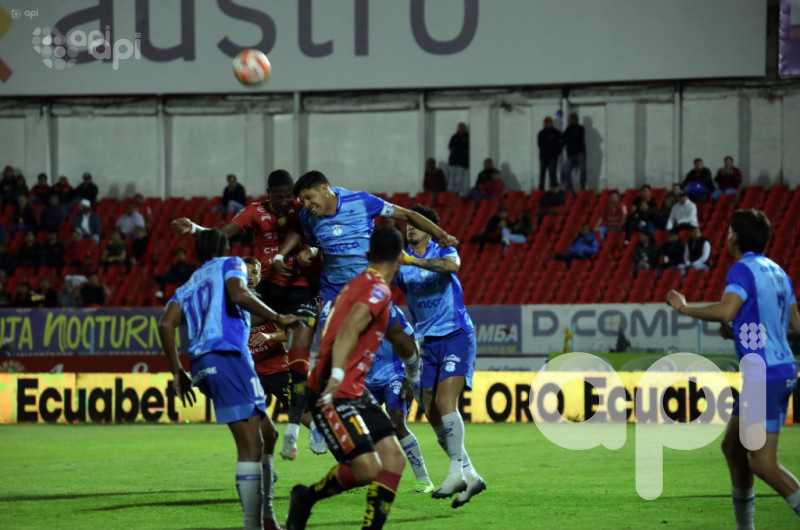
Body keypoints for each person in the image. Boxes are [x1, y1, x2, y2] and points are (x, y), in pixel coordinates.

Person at [172, 169, 326, 460]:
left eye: (288, 196)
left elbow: (323, 233)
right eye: (277, 197)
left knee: (297, 361)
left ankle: (314, 427)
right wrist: (195, 229)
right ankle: (215, 361)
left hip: (302, 289)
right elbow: (224, 235)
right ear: (267, 194)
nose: (284, 202)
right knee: (234, 316)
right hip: (269, 290)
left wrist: (311, 252)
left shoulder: (303, 208)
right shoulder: (255, 212)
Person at [158, 229, 302, 530]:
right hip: (226, 356)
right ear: (226, 248)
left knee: (268, 436)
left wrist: (177, 372)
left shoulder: (187, 285)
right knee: (250, 447)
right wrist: (278, 317)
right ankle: (255, 525)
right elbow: (239, 293)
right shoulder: (231, 264)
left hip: (201, 366)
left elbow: (166, 323)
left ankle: (267, 515)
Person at [665, 209, 800, 529]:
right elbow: (794, 325)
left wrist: (684, 308)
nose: (726, 237)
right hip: (780, 370)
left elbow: (727, 309)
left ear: (735, 238)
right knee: (733, 448)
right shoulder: (779, 272)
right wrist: (739, 329)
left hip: (765, 375)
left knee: (763, 463)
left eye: (728, 232)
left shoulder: (742, 269)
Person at [286, 226, 410, 530]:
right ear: (400, 259)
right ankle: (306, 497)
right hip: (334, 389)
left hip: (354, 390)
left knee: (393, 459)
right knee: (367, 468)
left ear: (368, 256)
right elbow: (348, 330)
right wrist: (337, 374)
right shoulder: (378, 290)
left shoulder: (358, 281)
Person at [396, 205, 485, 507]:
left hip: (456, 334)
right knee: (431, 410)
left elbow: (451, 267)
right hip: (426, 343)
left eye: (418, 225)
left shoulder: (442, 248)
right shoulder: (401, 263)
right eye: (409, 225)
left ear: (431, 228)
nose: (411, 228)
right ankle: (470, 475)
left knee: (446, 404)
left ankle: (454, 472)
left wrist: (411, 259)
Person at [365, 307, 434, 494]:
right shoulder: (355, 312)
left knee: (396, 422)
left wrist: (410, 379)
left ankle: (423, 479)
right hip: (367, 378)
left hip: (394, 374)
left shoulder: (391, 312)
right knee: (358, 426)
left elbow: (411, 343)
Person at [243, 257, 288, 530]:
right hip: (250, 372)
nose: (249, 277)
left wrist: (271, 336)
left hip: (277, 366)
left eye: (254, 272)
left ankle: (345, 464)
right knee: (264, 434)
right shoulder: (232, 298)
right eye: (245, 272)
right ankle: (264, 476)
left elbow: (293, 330)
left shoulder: (272, 296)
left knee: (309, 418)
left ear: (260, 275)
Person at [561, 113, 587, 190]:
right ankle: (569, 187)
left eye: (574, 119)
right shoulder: (568, 129)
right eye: (572, 119)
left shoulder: (580, 128)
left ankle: (582, 187)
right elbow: (564, 140)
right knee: (565, 170)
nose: (573, 121)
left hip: (579, 153)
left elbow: (576, 137)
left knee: (582, 170)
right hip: (571, 154)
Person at [537, 116, 563, 190]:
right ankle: (541, 190)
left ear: (551, 123)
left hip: (553, 157)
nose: (548, 124)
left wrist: (557, 151)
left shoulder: (556, 132)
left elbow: (561, 142)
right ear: (544, 123)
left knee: (552, 175)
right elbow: (539, 144)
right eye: (546, 122)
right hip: (543, 157)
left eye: (549, 122)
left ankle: (553, 190)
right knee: (542, 174)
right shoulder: (541, 133)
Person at [447, 122, 470, 195]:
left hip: (462, 162)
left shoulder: (467, 137)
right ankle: (450, 194)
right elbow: (450, 146)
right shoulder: (454, 137)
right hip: (453, 161)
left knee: (459, 179)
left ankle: (457, 193)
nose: (461, 129)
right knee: (451, 179)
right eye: (459, 127)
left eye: (462, 127)